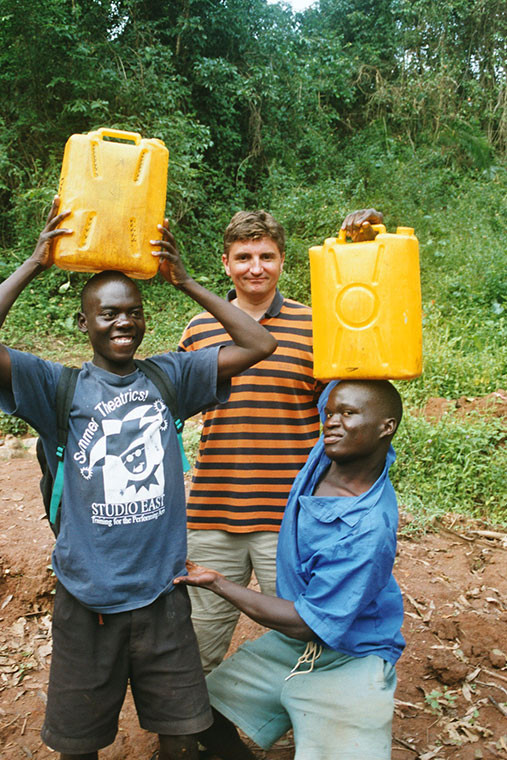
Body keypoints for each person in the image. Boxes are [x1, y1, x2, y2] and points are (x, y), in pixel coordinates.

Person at [0, 197, 276, 760]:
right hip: (87, 596)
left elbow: (259, 344)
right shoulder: (57, 387)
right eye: (108, 313)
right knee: (80, 744)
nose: (124, 321)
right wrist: (34, 263)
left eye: (133, 312)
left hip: (163, 595)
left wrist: (187, 282)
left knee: (180, 733)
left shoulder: (171, 375)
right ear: (84, 323)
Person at [178, 207, 384, 675]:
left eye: (266, 256)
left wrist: (361, 248)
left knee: (300, 636)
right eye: (244, 256)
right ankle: (195, 739)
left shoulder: (316, 327)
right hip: (212, 511)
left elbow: (358, 391)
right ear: (226, 263)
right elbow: (172, 408)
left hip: (289, 515)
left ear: (282, 261)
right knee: (197, 642)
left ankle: (301, 733)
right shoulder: (199, 328)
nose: (256, 267)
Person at [175, 379, 405, 760]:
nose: (331, 421)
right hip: (297, 646)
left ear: (387, 427)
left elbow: (307, 622)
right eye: (330, 412)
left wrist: (218, 583)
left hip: (351, 654)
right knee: (197, 709)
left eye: (347, 414)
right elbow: (340, 380)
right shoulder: (330, 454)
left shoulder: (367, 529)